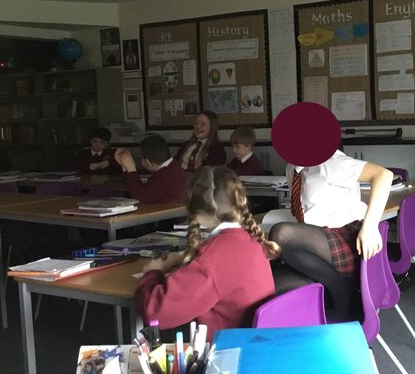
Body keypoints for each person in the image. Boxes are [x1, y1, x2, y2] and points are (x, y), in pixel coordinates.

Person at [135, 166, 279, 341]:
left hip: (226, 350)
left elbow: (155, 313)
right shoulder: (251, 240)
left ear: (194, 210)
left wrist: (153, 272)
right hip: (253, 342)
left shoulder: (209, 262)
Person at [269, 151, 392, 321]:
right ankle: (336, 289)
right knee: (270, 283)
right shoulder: (292, 169)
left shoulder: (328, 161)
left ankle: (340, 290)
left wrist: (370, 226)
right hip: (317, 245)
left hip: (345, 238)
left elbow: (384, 175)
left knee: (281, 234)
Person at [114, 135, 187, 204]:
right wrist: (126, 168)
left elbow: (140, 197)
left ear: (147, 162)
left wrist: (131, 169)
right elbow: (146, 190)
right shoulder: (176, 167)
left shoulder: (164, 176)